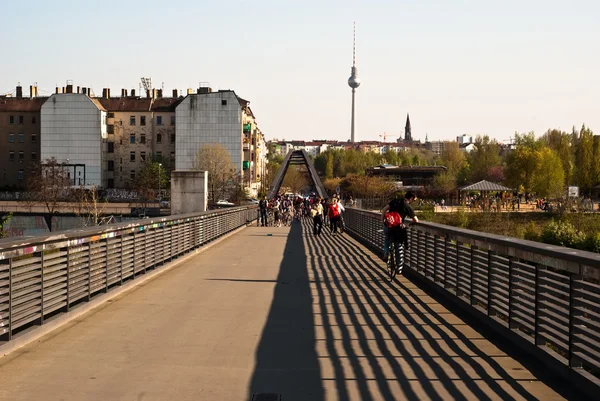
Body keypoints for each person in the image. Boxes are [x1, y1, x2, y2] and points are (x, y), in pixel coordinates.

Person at [381, 191, 419, 274]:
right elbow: (416, 220)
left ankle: (386, 253)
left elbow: (384, 209)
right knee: (398, 247)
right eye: (414, 200)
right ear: (411, 198)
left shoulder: (395, 201)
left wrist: (383, 220)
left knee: (387, 238)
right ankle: (399, 268)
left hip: (389, 226)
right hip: (399, 229)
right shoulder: (407, 206)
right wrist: (408, 225)